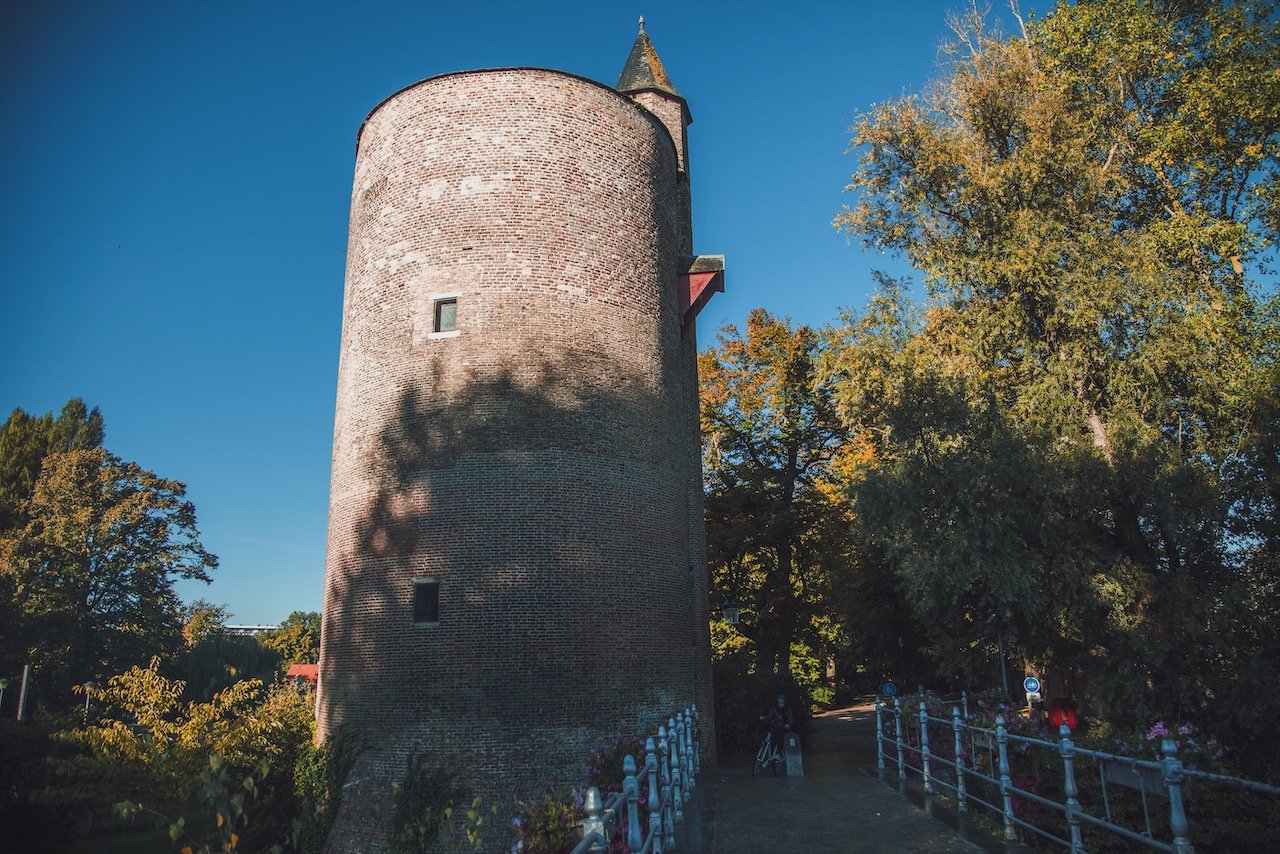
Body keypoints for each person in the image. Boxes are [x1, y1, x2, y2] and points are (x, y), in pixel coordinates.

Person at [759, 694, 794, 762]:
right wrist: (764, 718)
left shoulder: (788, 710)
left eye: (782, 703)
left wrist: (788, 725)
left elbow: (791, 719)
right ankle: (770, 756)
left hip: (783, 729)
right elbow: (769, 717)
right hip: (775, 727)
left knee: (780, 738)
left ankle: (778, 753)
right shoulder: (774, 709)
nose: (780, 704)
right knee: (772, 739)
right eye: (779, 703)